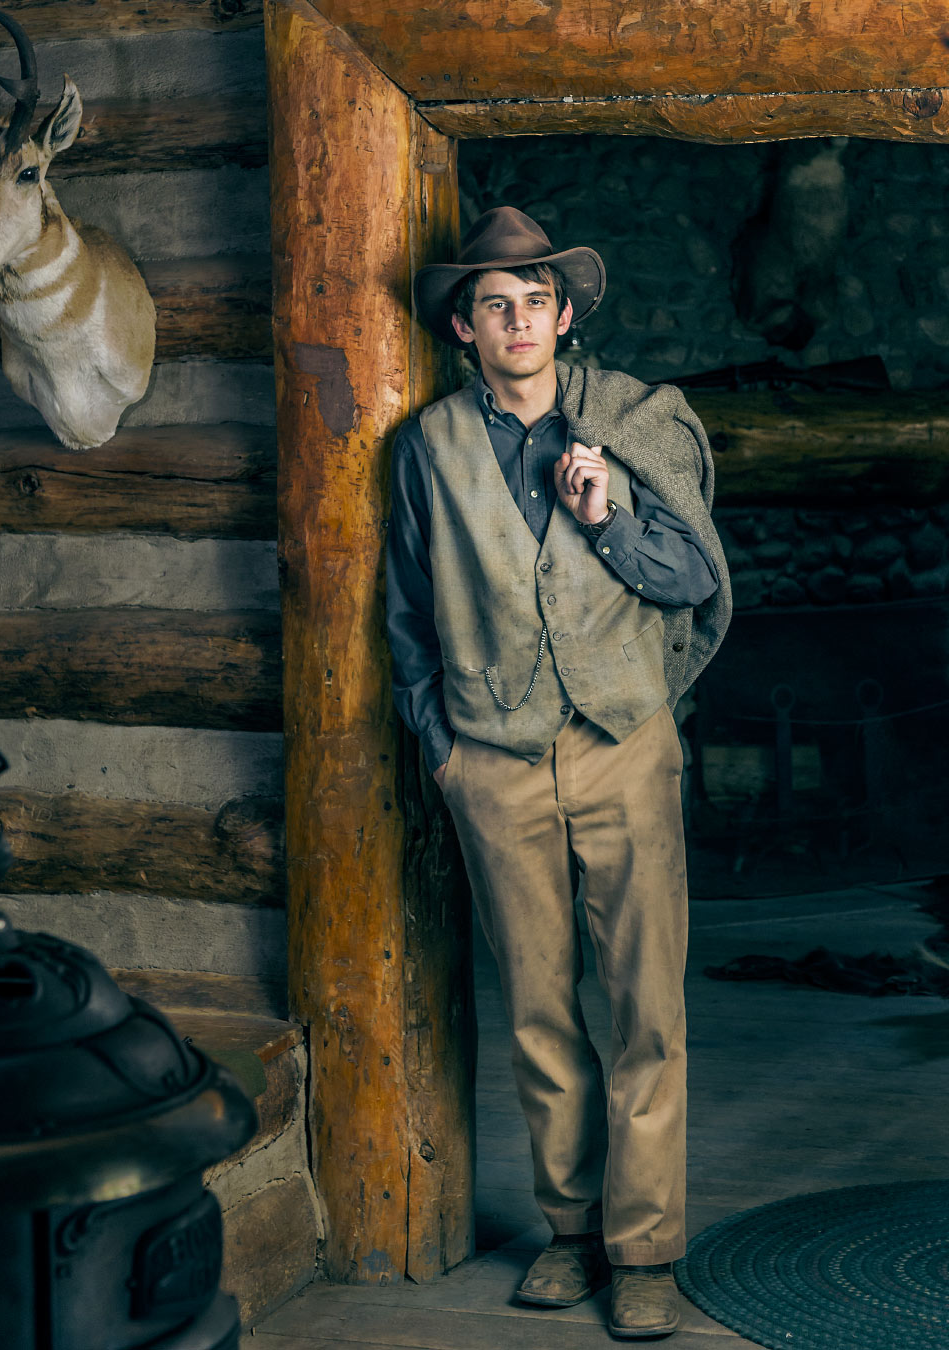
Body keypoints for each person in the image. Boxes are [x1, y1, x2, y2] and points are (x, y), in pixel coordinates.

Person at [386, 206, 732, 1340]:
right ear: (464, 326)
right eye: (496, 305)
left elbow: (693, 581)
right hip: (493, 760)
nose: (519, 320)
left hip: (623, 745)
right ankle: (571, 1233)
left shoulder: (635, 420)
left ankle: (645, 1253)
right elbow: (402, 614)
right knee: (539, 1009)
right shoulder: (427, 449)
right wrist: (441, 749)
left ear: (565, 314)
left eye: (536, 300)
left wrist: (608, 517)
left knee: (647, 1007)